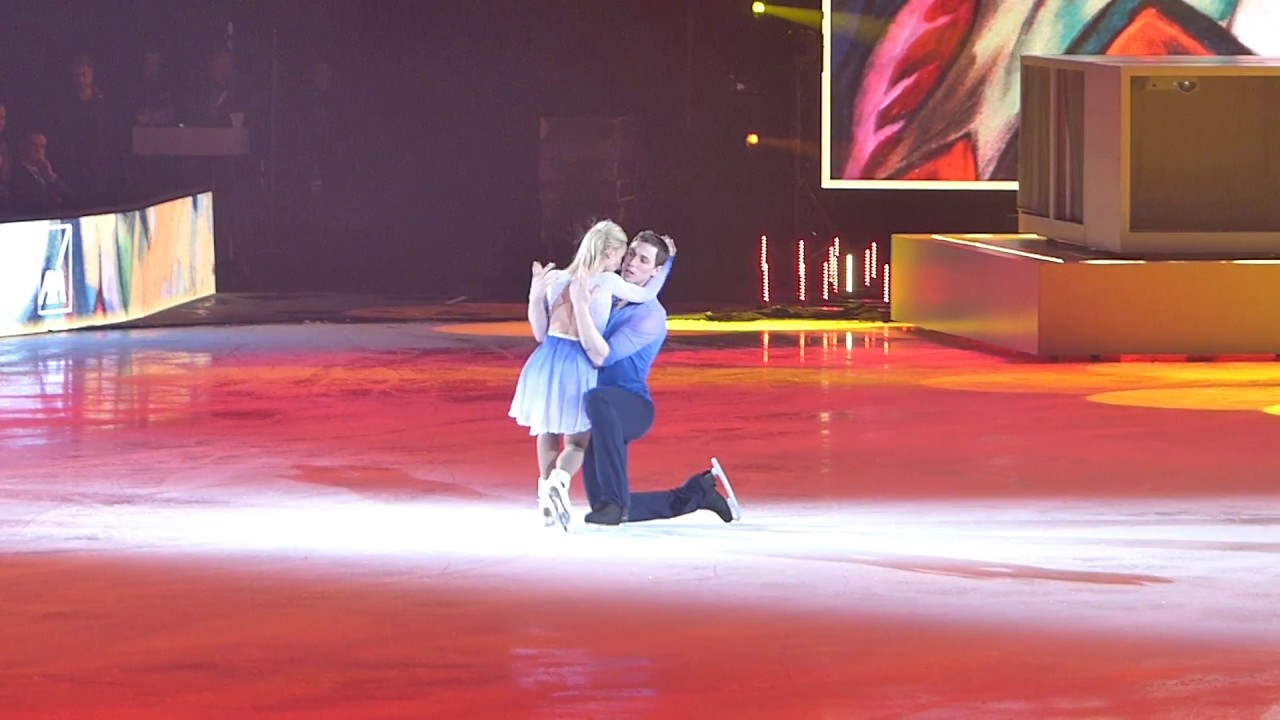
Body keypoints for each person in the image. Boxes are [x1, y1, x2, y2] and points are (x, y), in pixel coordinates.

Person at [566, 230, 740, 526]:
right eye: (631, 253)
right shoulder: (613, 297)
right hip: (603, 410)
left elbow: (604, 356)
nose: (631, 262)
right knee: (599, 502)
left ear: (655, 271)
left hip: (631, 406)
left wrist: (580, 309)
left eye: (643, 259)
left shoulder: (650, 315)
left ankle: (616, 503)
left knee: (597, 401)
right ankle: (695, 494)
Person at [509, 220, 670, 528]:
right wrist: (583, 309)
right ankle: (559, 479)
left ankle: (545, 497)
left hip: (543, 362)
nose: (626, 263)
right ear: (609, 252)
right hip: (575, 362)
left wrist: (534, 296)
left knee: (547, 430)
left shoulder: (557, 277)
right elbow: (599, 349)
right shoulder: (607, 283)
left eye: (639, 259)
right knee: (576, 443)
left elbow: (541, 334)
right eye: (625, 254)